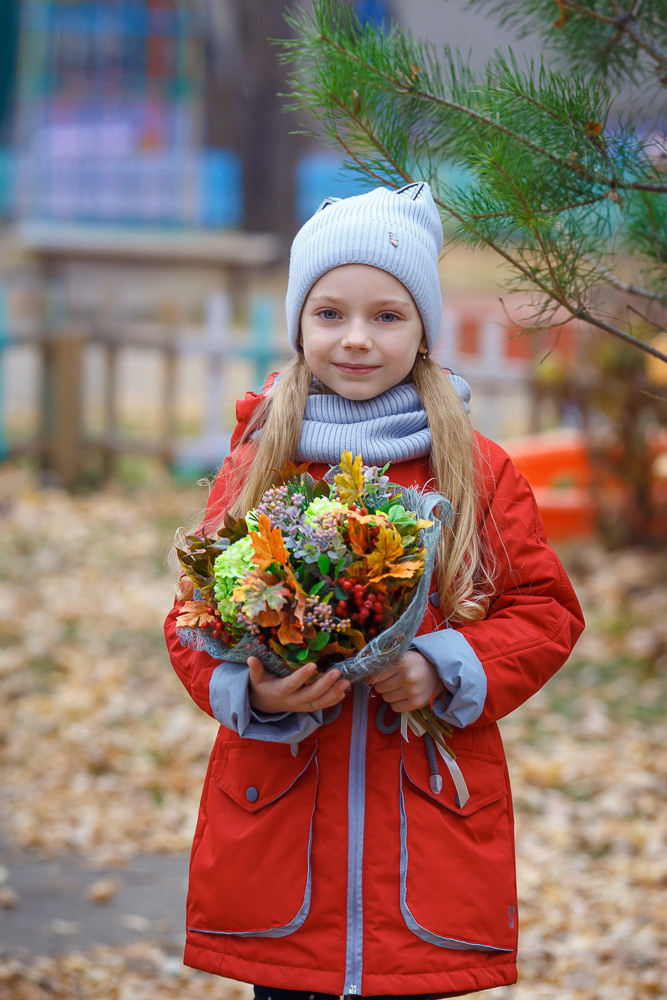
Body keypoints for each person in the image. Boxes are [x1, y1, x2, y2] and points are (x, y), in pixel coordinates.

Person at [164, 182, 584, 1000]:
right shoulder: (262, 461)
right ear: (299, 325)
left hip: (423, 834)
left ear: (423, 330)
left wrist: (443, 666)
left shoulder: (475, 468)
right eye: (330, 313)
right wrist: (254, 692)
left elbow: (544, 611)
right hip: (281, 827)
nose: (356, 338)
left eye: (386, 315)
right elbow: (192, 617)